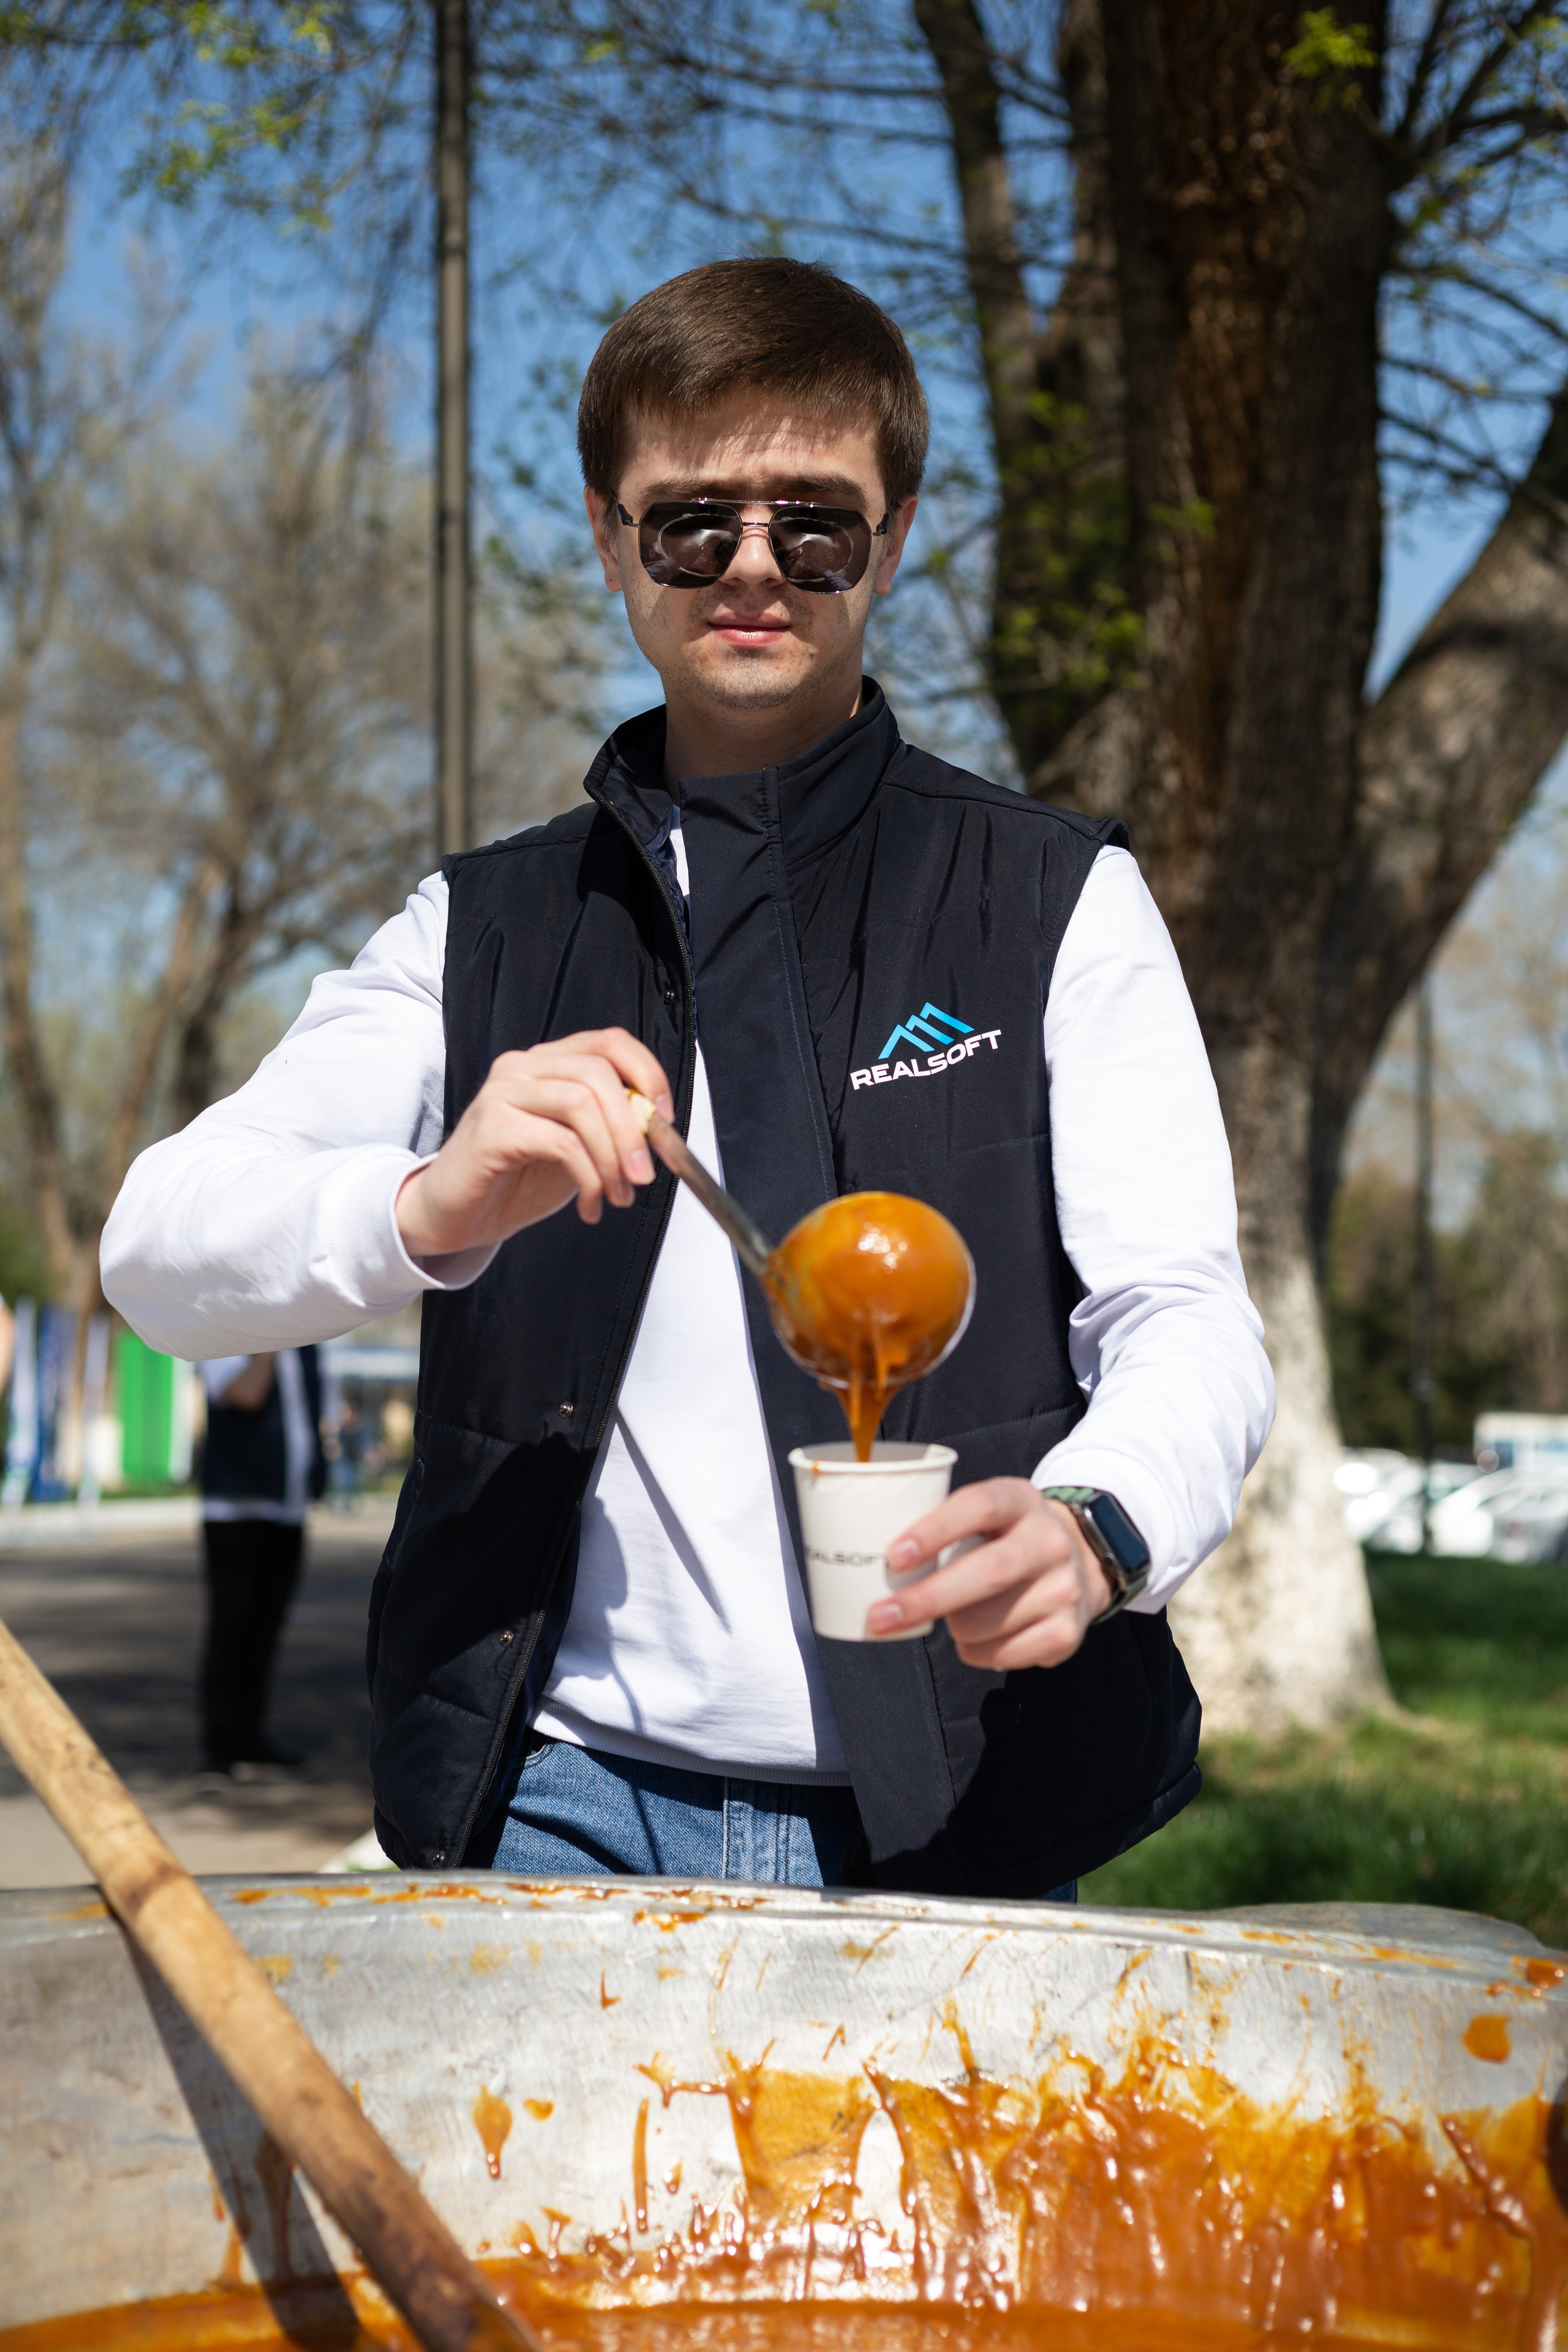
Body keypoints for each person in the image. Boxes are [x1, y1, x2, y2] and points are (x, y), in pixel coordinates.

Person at [103, 258, 1275, 1895]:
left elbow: (1188, 1318)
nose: (751, 567)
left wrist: (1100, 1523)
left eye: (815, 523)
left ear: (897, 537)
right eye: (689, 521)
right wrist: (425, 1203)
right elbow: (158, 1255)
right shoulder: (479, 930)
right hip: (561, 1806)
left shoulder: (1057, 898)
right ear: (609, 537)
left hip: (965, 1807)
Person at [195, 1348, 326, 1776]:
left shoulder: (308, 1345)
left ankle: (251, 1736)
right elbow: (246, 1393)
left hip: (288, 1506)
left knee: (267, 1627)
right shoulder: (225, 1335)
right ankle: (220, 1747)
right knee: (232, 1625)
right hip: (236, 1505)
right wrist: (270, 1336)